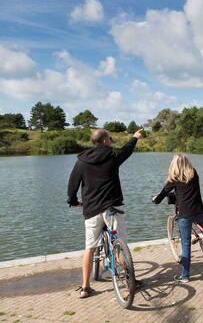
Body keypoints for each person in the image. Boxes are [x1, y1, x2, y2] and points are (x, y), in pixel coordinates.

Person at [67, 128, 143, 299]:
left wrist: (73, 202)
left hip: (91, 209)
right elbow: (127, 150)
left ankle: (86, 287)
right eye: (109, 138)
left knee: (90, 249)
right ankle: (131, 282)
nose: (110, 140)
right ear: (105, 141)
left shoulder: (81, 161)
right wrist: (134, 137)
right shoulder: (113, 155)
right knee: (121, 244)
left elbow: (72, 185)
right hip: (112, 208)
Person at [152, 154, 203, 283]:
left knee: (186, 244)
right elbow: (187, 189)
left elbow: (163, 193)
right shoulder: (193, 173)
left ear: (174, 165)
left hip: (185, 214)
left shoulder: (174, 178)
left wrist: (156, 200)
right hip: (198, 210)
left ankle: (185, 276)